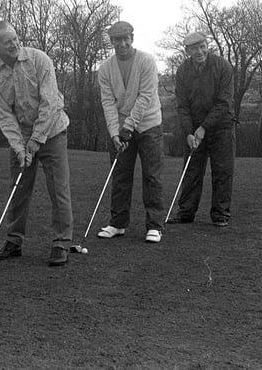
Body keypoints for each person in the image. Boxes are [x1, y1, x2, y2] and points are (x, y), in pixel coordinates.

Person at [0, 20, 73, 266]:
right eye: (7, 42)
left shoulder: (39, 60)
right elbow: (5, 116)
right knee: (19, 187)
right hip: (22, 136)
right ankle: (14, 241)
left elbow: (51, 102)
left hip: (53, 131)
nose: (14, 44)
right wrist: (19, 147)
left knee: (58, 189)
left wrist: (36, 140)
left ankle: (61, 243)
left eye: (15, 38)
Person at [97, 20, 165, 243]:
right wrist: (115, 133)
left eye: (126, 38)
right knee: (120, 175)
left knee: (152, 175)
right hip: (121, 127)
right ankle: (118, 223)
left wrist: (129, 126)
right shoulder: (105, 68)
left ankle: (154, 226)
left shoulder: (146, 61)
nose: (122, 43)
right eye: (117, 39)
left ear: (132, 38)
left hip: (149, 124)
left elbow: (145, 96)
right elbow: (107, 102)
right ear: (112, 42)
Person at [167, 31, 235, 227]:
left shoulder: (222, 66)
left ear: (208, 45)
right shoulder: (183, 71)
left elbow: (224, 103)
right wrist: (189, 132)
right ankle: (186, 212)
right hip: (194, 128)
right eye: (194, 48)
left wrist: (204, 127)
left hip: (222, 126)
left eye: (202, 46)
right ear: (187, 50)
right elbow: (183, 105)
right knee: (192, 171)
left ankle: (220, 214)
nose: (199, 51)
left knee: (222, 170)